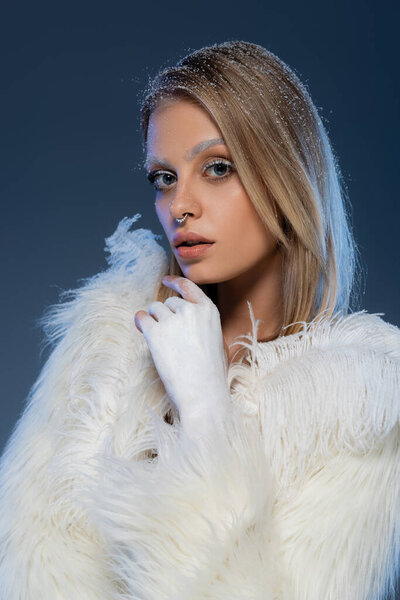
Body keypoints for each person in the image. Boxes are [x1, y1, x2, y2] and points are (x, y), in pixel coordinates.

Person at [0, 40, 399, 600]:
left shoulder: (362, 400)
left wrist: (207, 409)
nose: (179, 205)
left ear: (284, 174)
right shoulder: (108, 340)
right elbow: (27, 567)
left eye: (217, 168)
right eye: (163, 177)